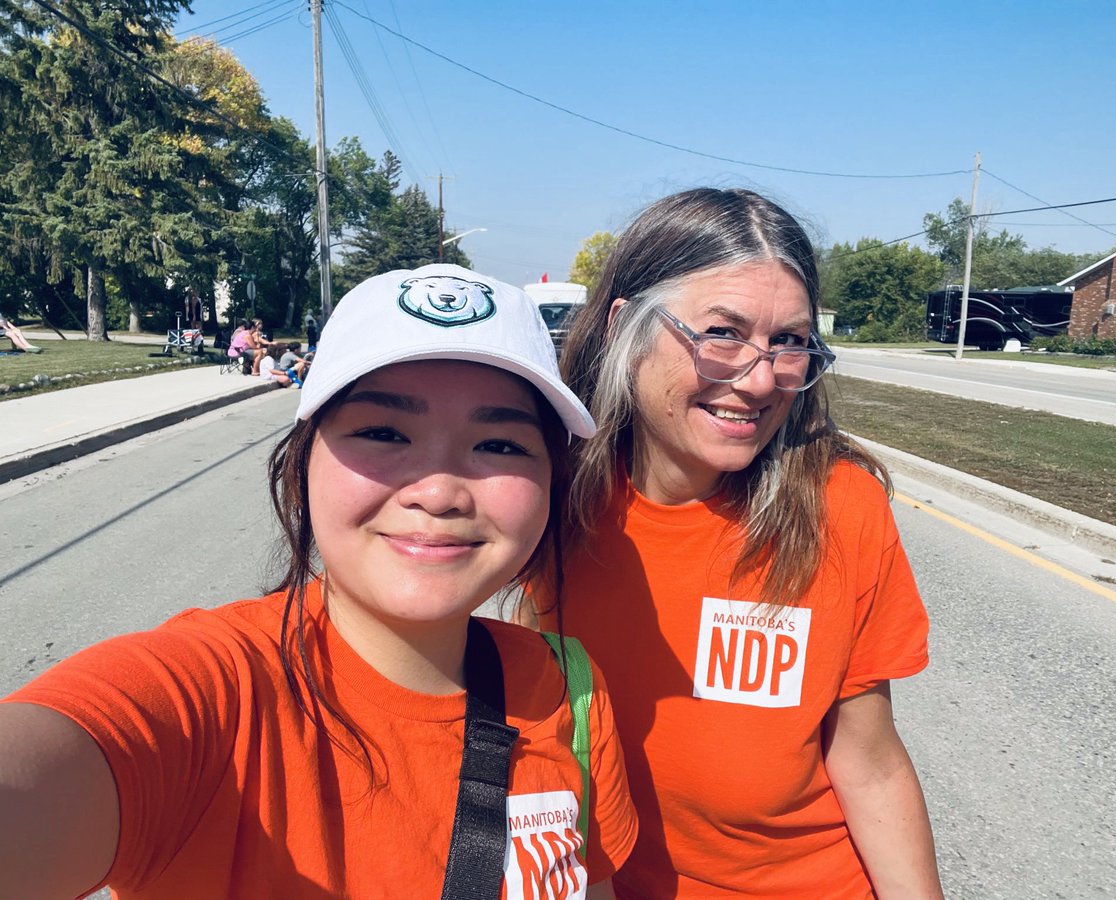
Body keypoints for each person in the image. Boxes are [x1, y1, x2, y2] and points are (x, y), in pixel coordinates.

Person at [0, 264, 638, 899]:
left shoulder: (567, 691)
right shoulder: (216, 693)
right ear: (303, 463)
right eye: (384, 433)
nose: (440, 492)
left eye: (499, 444)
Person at [540, 188, 942, 899]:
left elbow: (869, 761)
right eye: (721, 333)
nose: (760, 380)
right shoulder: (545, 497)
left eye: (789, 342)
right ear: (622, 326)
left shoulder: (839, 507)